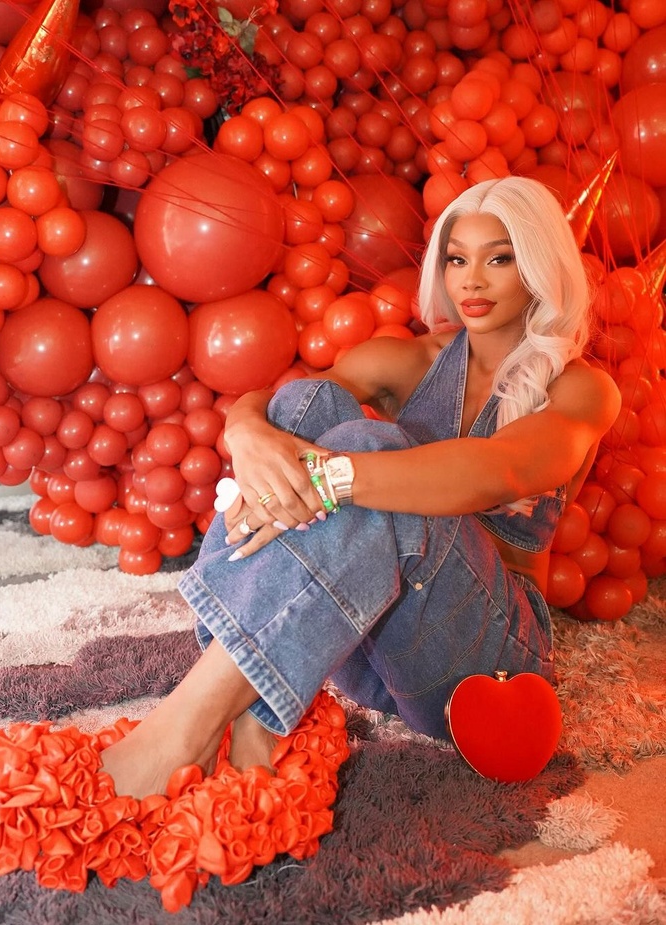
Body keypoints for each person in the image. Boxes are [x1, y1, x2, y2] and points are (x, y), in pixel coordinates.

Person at [98, 175, 621, 800]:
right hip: (368, 640)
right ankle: (250, 722)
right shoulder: (412, 360)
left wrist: (330, 480)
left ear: (538, 266)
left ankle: (186, 729)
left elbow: (498, 470)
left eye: (499, 259)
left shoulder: (580, 389)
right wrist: (247, 433)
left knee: (368, 449)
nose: (471, 282)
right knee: (305, 405)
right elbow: (286, 404)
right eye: (457, 260)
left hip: (484, 661)